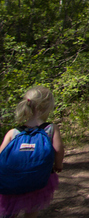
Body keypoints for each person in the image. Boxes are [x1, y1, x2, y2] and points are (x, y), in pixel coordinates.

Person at [0, 86, 64, 218]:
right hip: (38, 180)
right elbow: (58, 150)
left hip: (12, 181)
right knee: (32, 208)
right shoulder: (50, 129)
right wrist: (58, 165)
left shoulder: (14, 132)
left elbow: (2, 154)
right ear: (47, 106)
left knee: (9, 210)